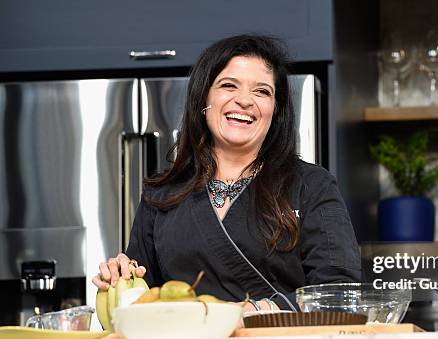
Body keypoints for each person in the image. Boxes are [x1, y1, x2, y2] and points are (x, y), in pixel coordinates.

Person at [92, 34, 361, 311]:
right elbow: (137, 307)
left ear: (275, 110)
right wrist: (120, 280)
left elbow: (339, 294)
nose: (244, 100)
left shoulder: (312, 186)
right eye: (228, 85)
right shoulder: (162, 194)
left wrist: (263, 310)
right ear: (203, 100)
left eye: (261, 91)